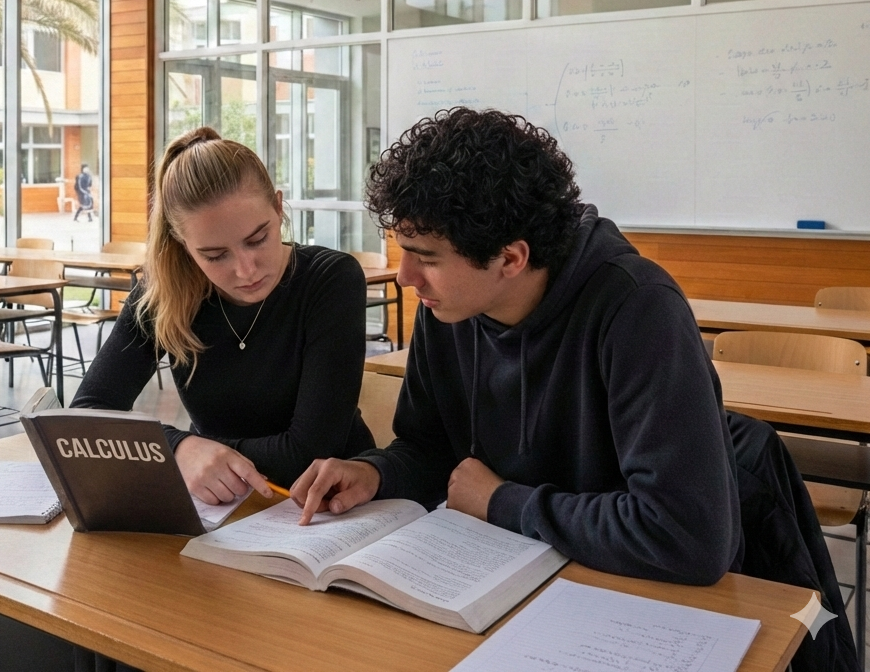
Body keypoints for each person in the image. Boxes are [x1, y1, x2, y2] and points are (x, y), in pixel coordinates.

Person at [292, 108, 742, 585]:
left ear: (510, 258)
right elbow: (432, 451)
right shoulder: (448, 308)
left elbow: (687, 536)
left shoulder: (638, 310)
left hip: (634, 593)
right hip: (509, 573)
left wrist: (502, 501)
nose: (405, 278)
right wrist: (375, 473)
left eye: (426, 258)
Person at [71, 127, 375, 505]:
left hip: (330, 506)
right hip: (222, 506)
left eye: (258, 239)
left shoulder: (330, 279)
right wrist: (180, 449)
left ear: (279, 208)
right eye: (215, 256)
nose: (246, 271)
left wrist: (198, 451)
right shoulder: (165, 293)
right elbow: (86, 417)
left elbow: (308, 454)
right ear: (184, 247)